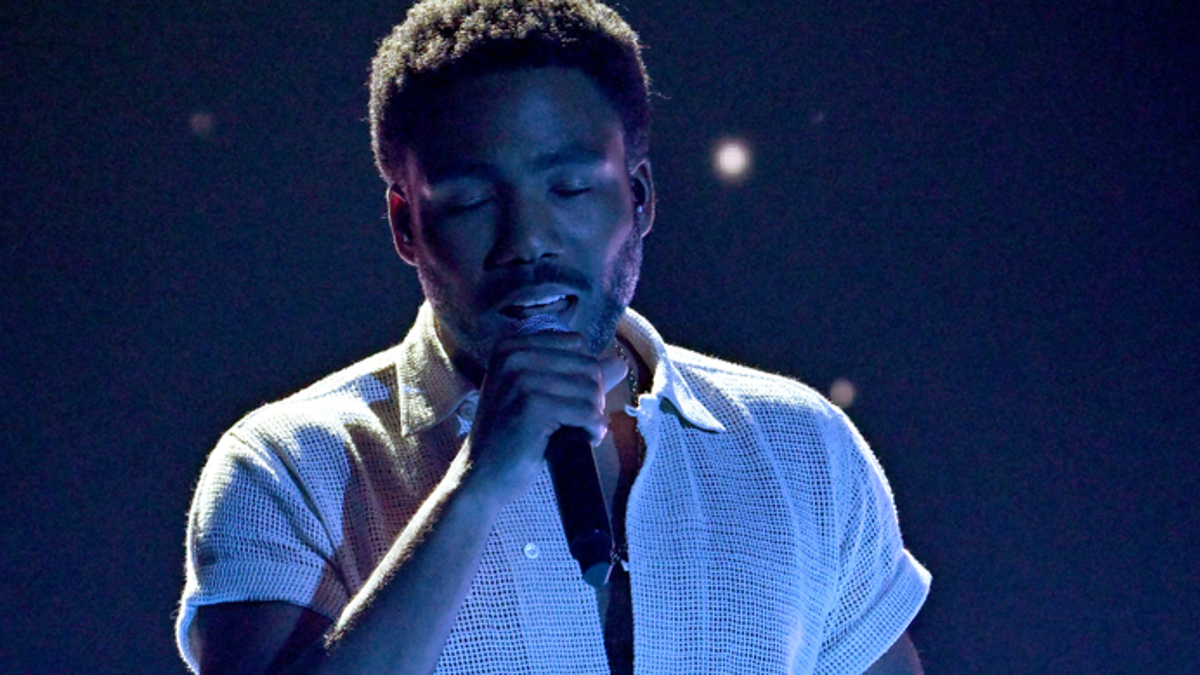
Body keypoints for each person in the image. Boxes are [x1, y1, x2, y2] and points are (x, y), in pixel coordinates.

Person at [175, 1, 932, 673]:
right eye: (471, 199)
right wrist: (477, 487)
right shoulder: (287, 465)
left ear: (637, 197)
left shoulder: (800, 446)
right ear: (406, 223)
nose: (527, 240)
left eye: (568, 188)